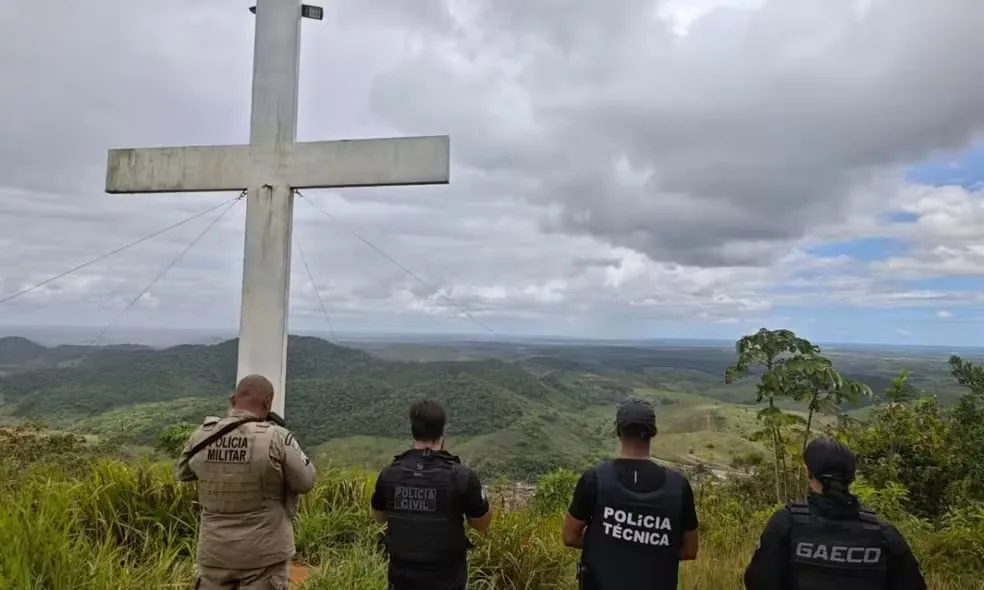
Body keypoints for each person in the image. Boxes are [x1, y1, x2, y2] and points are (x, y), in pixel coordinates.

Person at [175, 374, 317, 590]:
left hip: (215, 552)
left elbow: (183, 473)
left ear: (233, 400)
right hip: (264, 554)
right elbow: (306, 482)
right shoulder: (276, 436)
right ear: (268, 403)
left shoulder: (202, 435)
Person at [744, 437, 927, 590]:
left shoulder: (786, 524)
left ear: (809, 473)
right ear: (851, 477)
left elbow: (759, 582)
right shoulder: (884, 534)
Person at [563, 397, 700, 590]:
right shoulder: (678, 487)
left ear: (619, 432)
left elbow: (569, 536)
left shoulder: (595, 479)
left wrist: (610, 543)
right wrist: (647, 545)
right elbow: (690, 549)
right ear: (653, 433)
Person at [371, 398, 492, 590]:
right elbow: (481, 524)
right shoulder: (462, 477)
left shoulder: (389, 474)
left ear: (413, 431)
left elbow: (379, 517)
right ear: (443, 433)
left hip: (400, 580)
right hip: (447, 582)